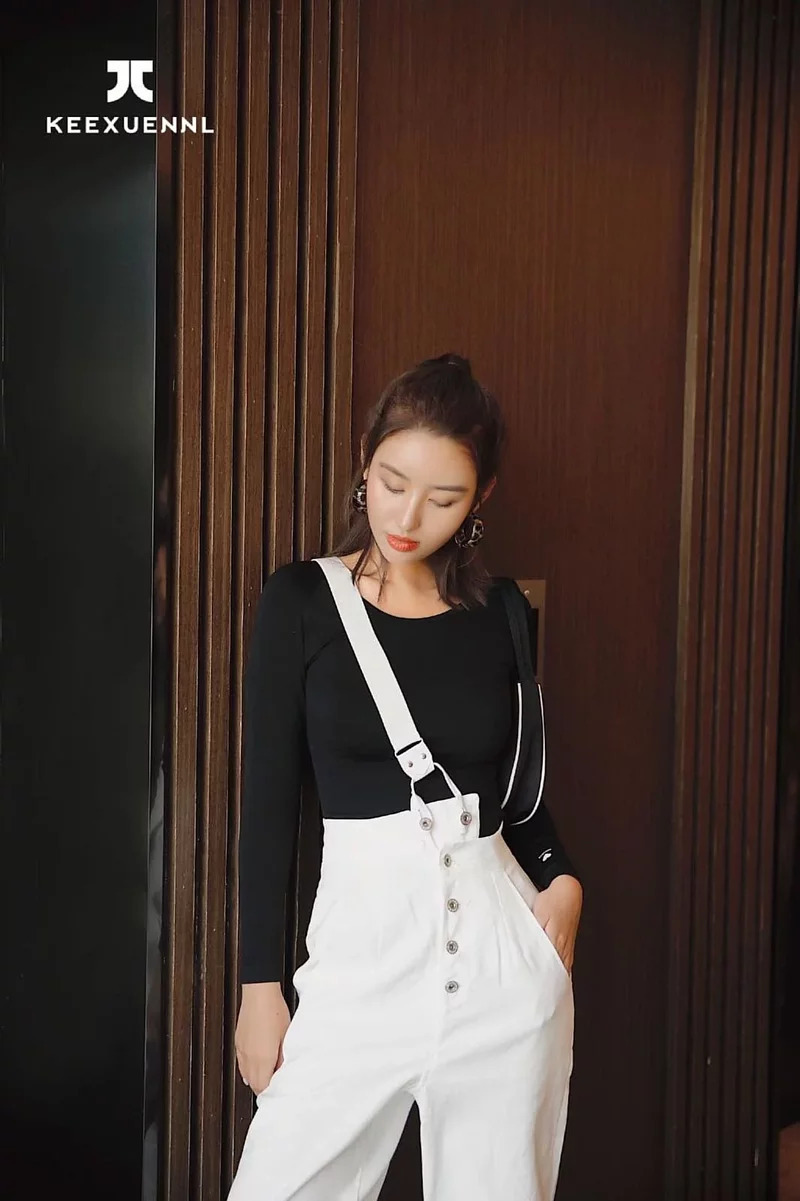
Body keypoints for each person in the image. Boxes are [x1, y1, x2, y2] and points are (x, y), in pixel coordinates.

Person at [228, 353, 584, 1201]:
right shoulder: (302, 601)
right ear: (366, 458)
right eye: (392, 482)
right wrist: (259, 986)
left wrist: (564, 880)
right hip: (361, 966)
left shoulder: (502, 614)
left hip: (502, 968)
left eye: (444, 497)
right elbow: (267, 804)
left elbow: (518, 796)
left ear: (481, 498)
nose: (408, 515)